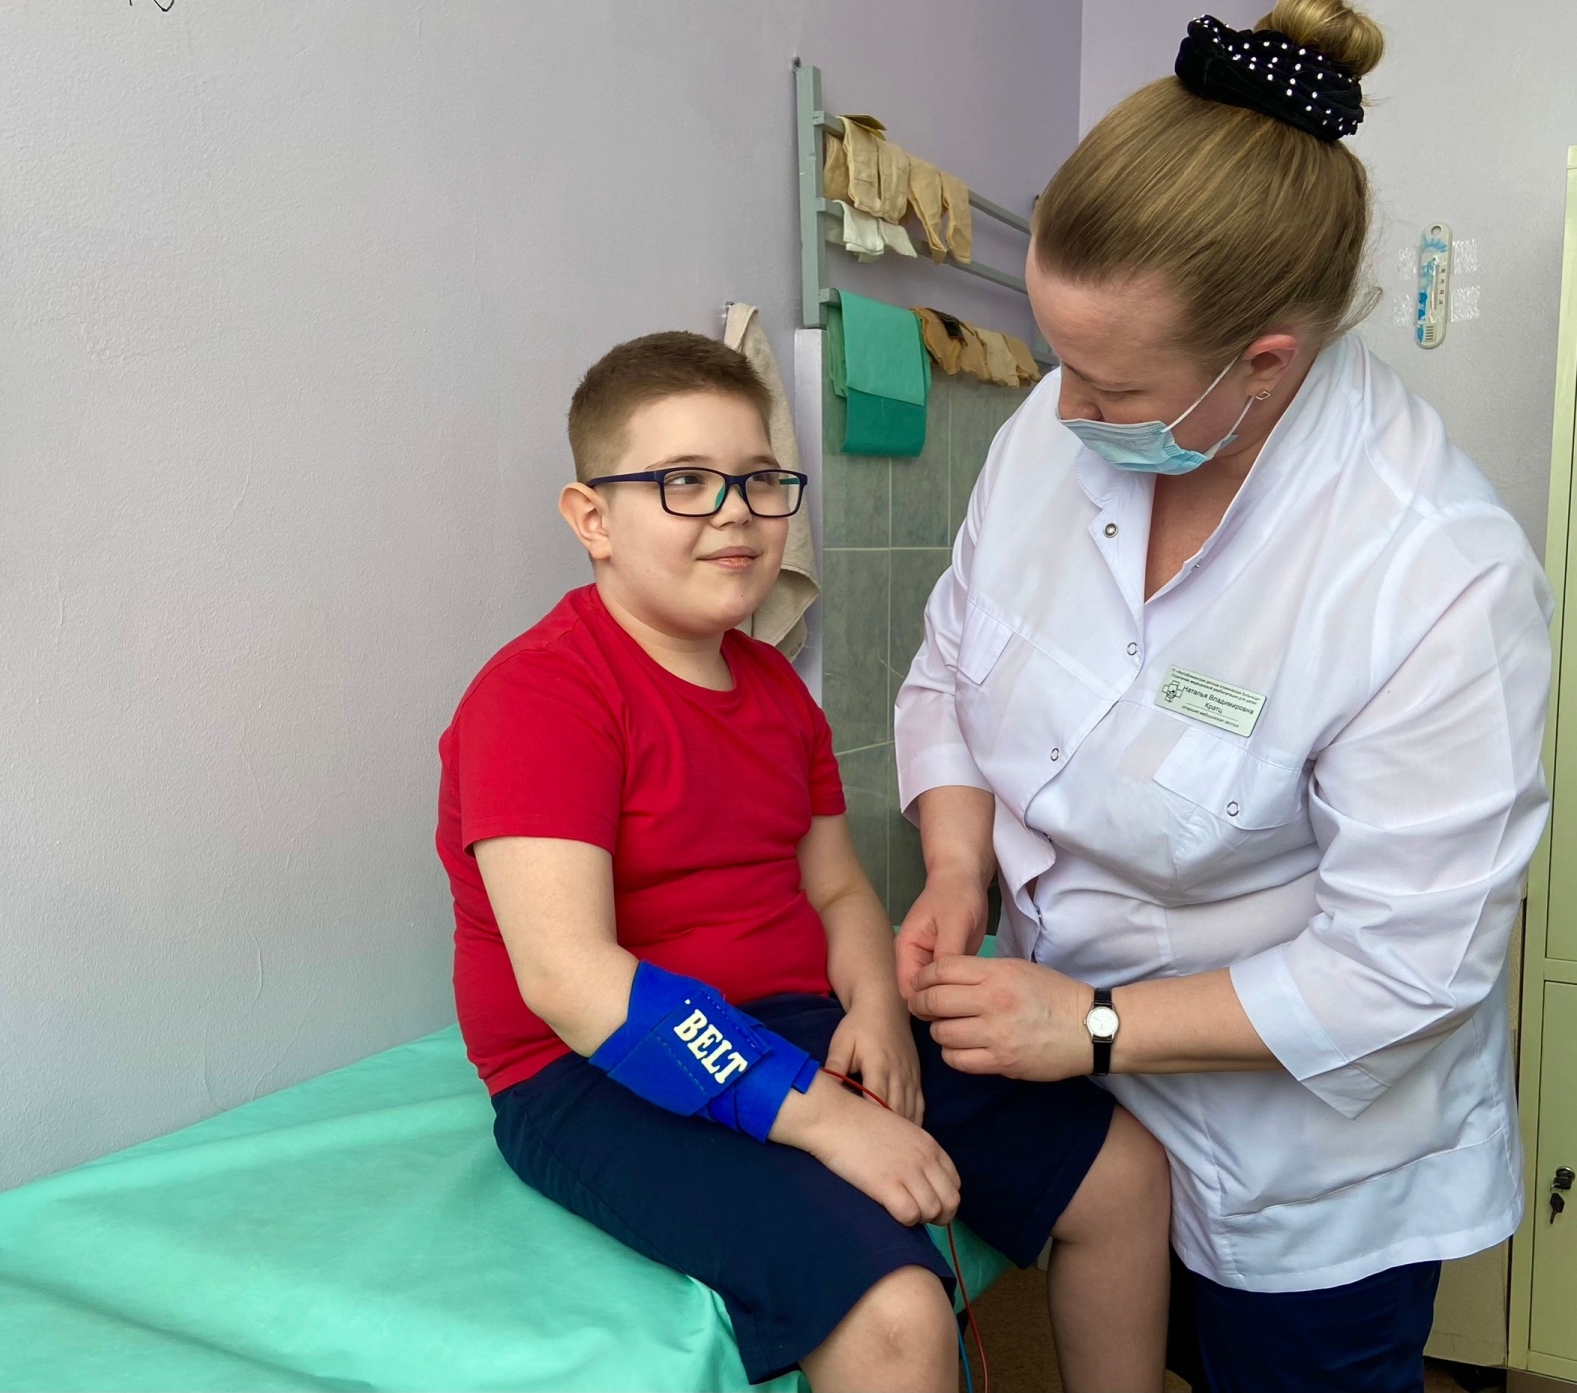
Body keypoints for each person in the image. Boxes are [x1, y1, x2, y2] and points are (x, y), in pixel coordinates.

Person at [894, 5, 1552, 1392]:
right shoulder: (1056, 430)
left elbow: (1406, 967)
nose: (1063, 412)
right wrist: (956, 865)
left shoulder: (1430, 572)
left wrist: (1095, 1025)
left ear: (1267, 359)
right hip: (1089, 1101)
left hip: (1302, 1163)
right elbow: (954, 661)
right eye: (1058, 361)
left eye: (1110, 383)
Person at [434, 332, 1169, 1393]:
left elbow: (838, 889)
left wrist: (875, 1009)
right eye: (685, 482)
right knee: (895, 1310)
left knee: (1123, 1172)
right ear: (592, 518)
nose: (735, 511)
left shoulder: (776, 689)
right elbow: (570, 980)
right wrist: (825, 1118)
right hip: (592, 1070)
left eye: (759, 479)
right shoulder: (542, 697)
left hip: (791, 1022)